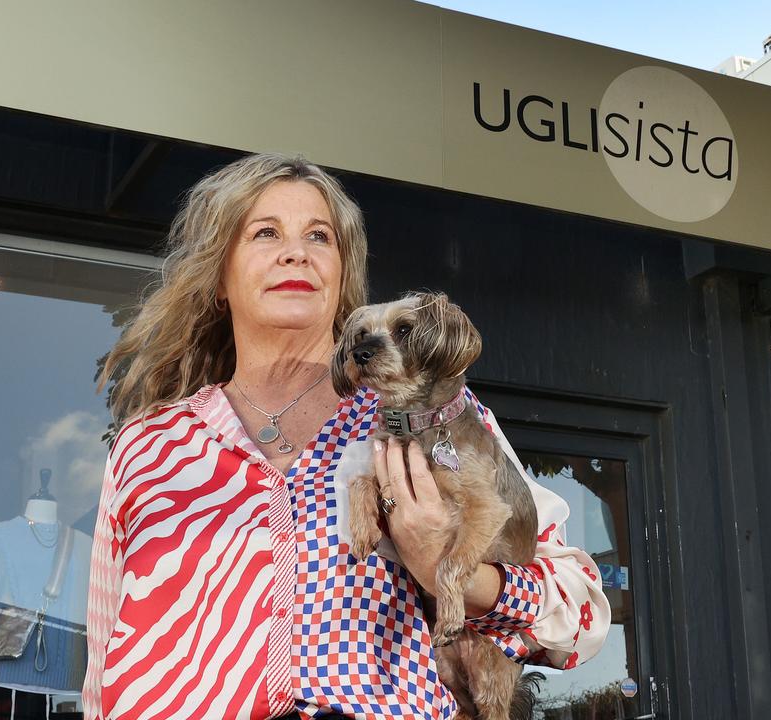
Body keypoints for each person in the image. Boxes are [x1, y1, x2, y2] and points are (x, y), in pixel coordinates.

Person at [86, 153, 609, 719]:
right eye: (265, 233)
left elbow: (579, 614)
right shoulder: (150, 444)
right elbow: (102, 644)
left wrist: (445, 568)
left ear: (341, 277)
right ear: (218, 278)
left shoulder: (436, 417)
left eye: (320, 236)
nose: (297, 252)